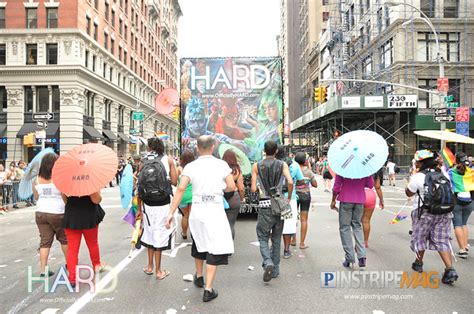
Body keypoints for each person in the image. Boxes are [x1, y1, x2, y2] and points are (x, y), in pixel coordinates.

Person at [166, 135, 236, 302]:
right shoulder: (221, 165)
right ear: (213, 147)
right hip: (215, 209)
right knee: (215, 246)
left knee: (199, 241)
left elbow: (181, 189)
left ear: (197, 147)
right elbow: (231, 186)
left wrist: (170, 212)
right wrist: (219, 188)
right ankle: (208, 289)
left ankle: (199, 276)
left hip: (197, 210)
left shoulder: (190, 166)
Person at [405, 149, 458, 284]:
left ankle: (419, 263)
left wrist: (412, 177)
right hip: (444, 212)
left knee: (420, 237)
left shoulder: (418, 177)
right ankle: (450, 269)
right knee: (442, 239)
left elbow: (409, 193)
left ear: (420, 163)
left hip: (424, 212)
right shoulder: (443, 173)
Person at [136, 137, 178, 280]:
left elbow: (139, 187)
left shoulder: (143, 161)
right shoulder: (169, 159)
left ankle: (149, 266)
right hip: (163, 202)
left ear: (149, 147)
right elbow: (175, 181)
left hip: (147, 203)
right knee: (160, 233)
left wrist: (139, 209)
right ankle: (159, 271)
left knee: (148, 232)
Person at [251, 141, 293, 282]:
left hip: (265, 203)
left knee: (263, 236)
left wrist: (259, 188)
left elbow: (252, 188)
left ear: (264, 150)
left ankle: (267, 261)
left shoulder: (256, 166)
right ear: (275, 151)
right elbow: (290, 182)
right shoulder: (282, 164)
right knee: (276, 237)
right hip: (279, 203)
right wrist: (287, 198)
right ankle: (275, 270)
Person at [32, 153, 67, 277]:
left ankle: (43, 270)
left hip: (41, 212)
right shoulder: (59, 178)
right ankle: (70, 264)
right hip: (58, 212)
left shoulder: (36, 179)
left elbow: (36, 197)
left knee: (45, 242)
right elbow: (64, 196)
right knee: (64, 240)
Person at [62, 192, 105, 288]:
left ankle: (72, 278)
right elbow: (96, 200)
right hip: (89, 215)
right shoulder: (89, 179)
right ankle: (96, 265)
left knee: (72, 249)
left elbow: (64, 199)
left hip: (72, 216)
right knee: (92, 244)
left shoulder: (67, 180)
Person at [331, 174, 374, 268]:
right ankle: (362, 256)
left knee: (344, 228)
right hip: (360, 200)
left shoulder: (342, 169)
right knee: (357, 226)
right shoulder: (365, 170)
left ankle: (349, 257)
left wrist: (333, 200)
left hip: (345, 199)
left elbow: (336, 188)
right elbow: (370, 185)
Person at [276, 146, 304, 258]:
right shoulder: (294, 165)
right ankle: (286, 250)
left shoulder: (272, 164)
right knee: (288, 224)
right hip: (289, 198)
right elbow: (301, 180)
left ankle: (274, 247)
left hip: (274, 198)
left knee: (274, 222)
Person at [449, 152, 473, 259]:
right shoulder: (471, 171)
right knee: (464, 223)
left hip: (457, 201)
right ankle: (465, 245)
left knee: (457, 224)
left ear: (456, 160)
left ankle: (462, 250)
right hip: (470, 201)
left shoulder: (451, 172)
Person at [294, 152, 317, 249]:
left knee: (293, 218)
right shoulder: (308, 171)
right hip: (305, 195)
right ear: (305, 161)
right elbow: (315, 184)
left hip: (295, 195)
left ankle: (293, 240)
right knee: (304, 220)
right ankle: (302, 243)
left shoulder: (293, 169)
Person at [222, 149, 245, 239]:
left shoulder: (220, 169)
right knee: (231, 224)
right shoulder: (237, 170)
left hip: (221, 196)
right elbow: (241, 187)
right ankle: (229, 246)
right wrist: (242, 198)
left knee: (220, 223)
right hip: (234, 198)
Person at [361, 168, 384, 248]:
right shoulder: (374, 170)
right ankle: (365, 241)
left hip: (359, 194)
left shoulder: (358, 169)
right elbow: (378, 187)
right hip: (370, 195)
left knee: (356, 222)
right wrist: (381, 200)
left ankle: (358, 242)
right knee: (366, 221)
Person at [177, 150, 195, 240]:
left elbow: (175, 181)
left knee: (185, 216)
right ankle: (194, 234)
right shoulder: (195, 168)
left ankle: (184, 233)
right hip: (193, 194)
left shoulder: (179, 169)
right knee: (192, 216)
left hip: (182, 195)